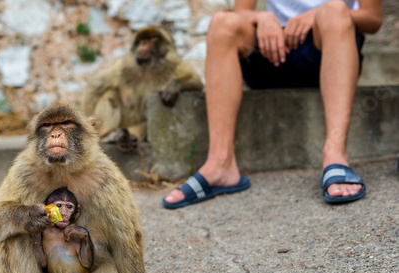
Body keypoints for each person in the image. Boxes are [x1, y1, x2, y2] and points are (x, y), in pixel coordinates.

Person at [162, 0, 383, 209]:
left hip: (328, 50)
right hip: (273, 53)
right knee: (223, 22)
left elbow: (372, 18)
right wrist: (262, 17)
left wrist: (316, 15)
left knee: (334, 10)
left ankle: (335, 156)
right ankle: (221, 164)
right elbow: (241, 11)